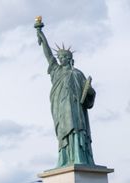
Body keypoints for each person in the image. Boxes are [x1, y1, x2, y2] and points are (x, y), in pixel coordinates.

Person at [35, 18, 96, 168]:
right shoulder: (56, 71)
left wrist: (90, 91)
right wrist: (41, 36)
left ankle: (79, 156)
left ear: (70, 59)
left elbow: (89, 94)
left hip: (76, 110)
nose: (60, 59)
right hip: (61, 109)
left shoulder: (77, 74)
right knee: (64, 133)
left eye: (64, 57)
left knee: (76, 131)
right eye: (60, 57)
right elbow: (49, 56)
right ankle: (65, 158)